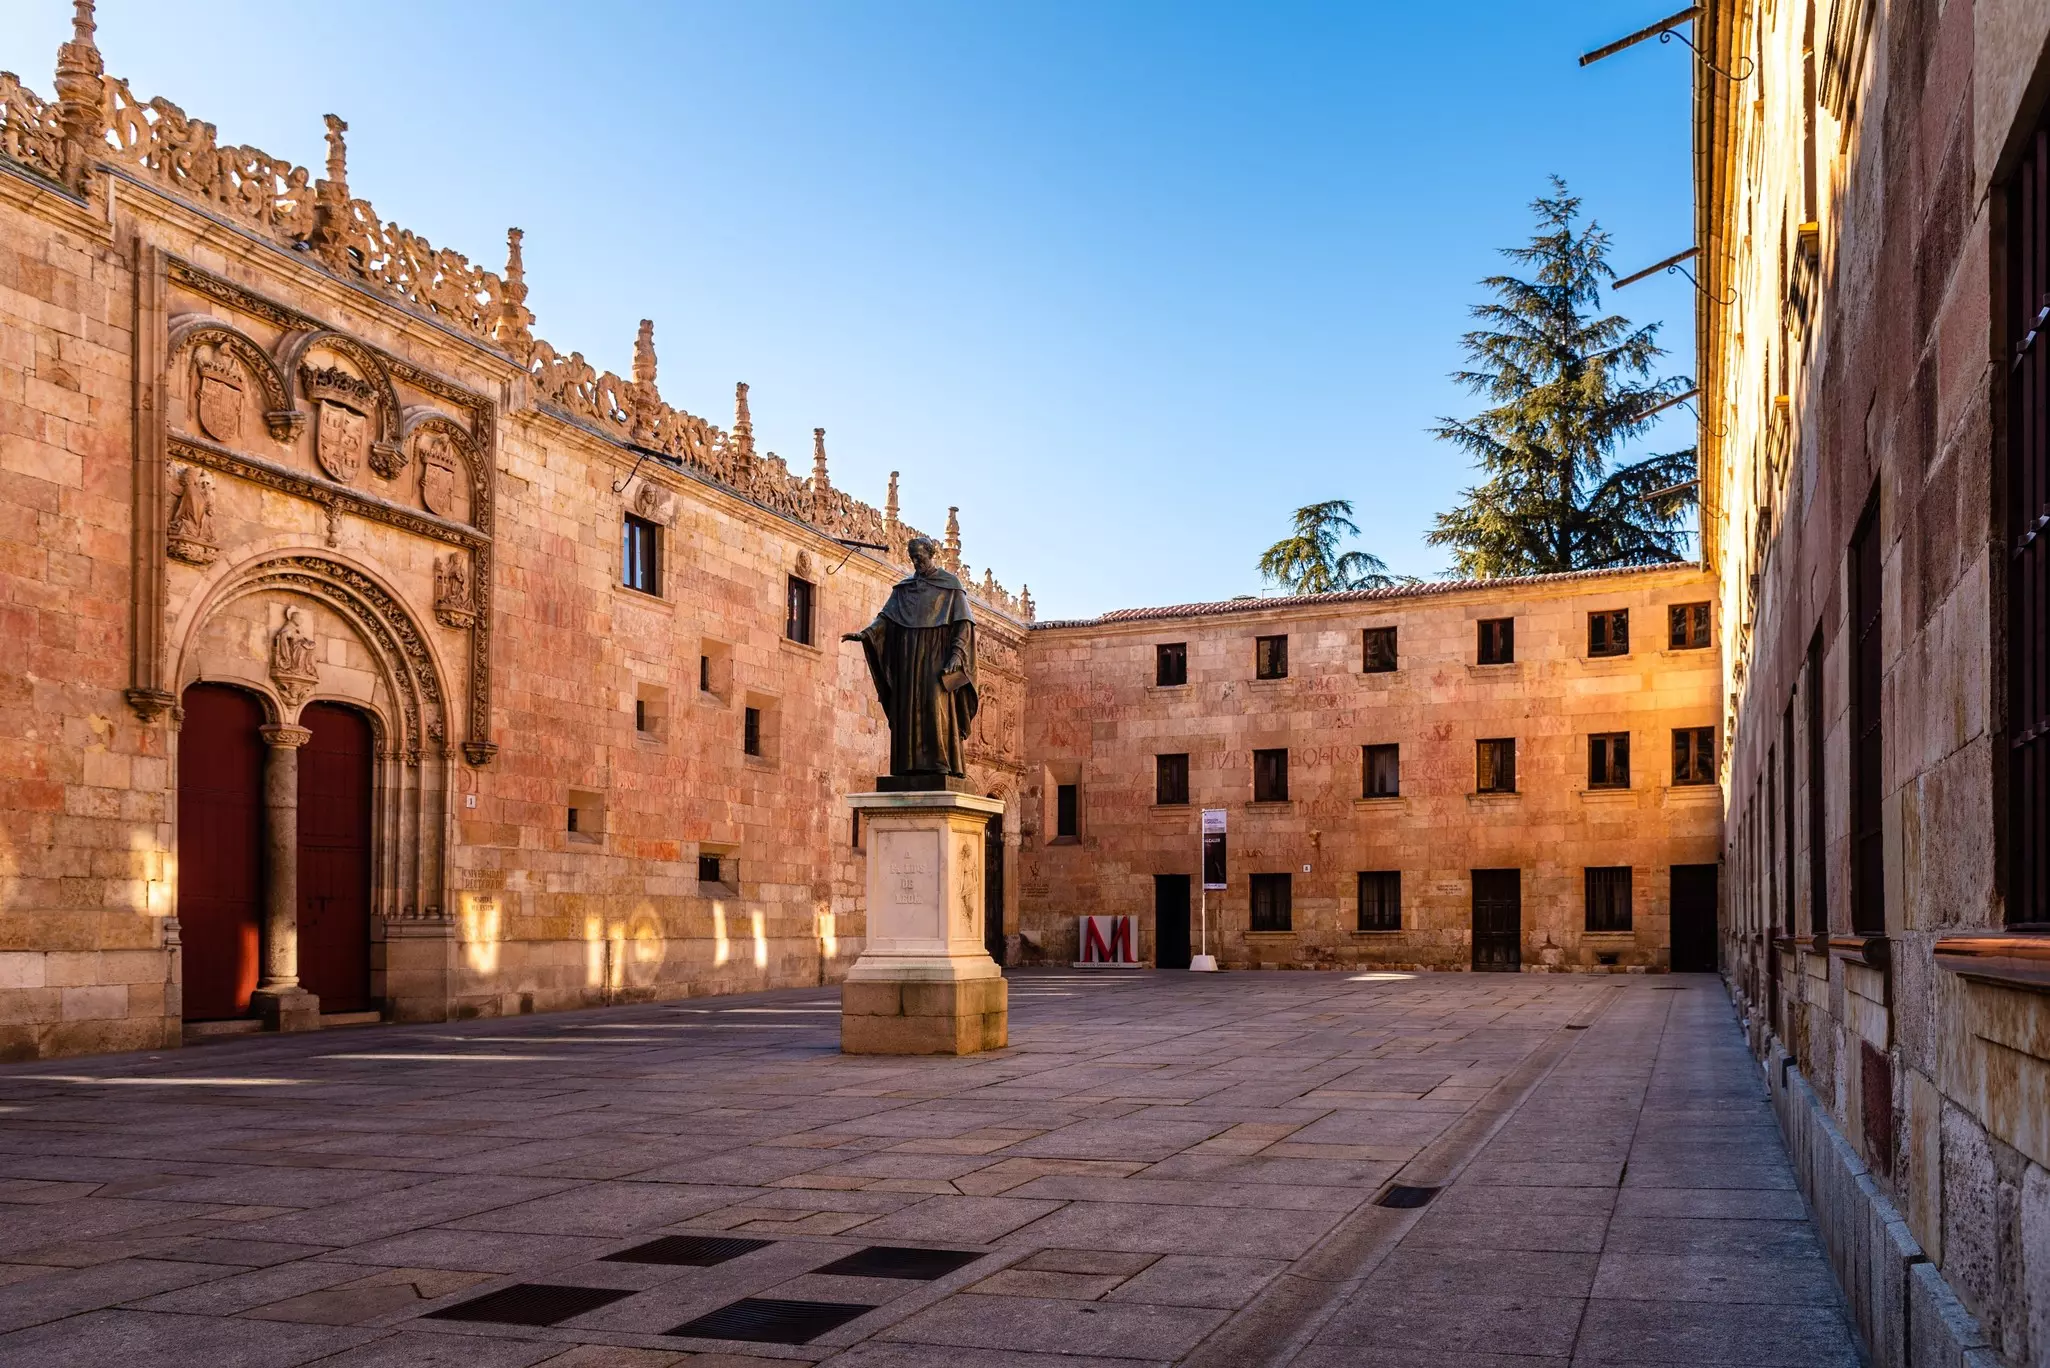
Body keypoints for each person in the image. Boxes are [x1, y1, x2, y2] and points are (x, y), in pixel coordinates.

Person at [844, 537, 978, 783]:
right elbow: (885, 619)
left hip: (937, 656)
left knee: (935, 705)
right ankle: (908, 765)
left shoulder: (950, 585)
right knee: (908, 708)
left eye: (920, 556)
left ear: (931, 553)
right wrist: (866, 634)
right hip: (908, 655)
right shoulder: (904, 589)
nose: (916, 562)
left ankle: (940, 763)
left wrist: (956, 656)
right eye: (912, 557)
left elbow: (963, 626)